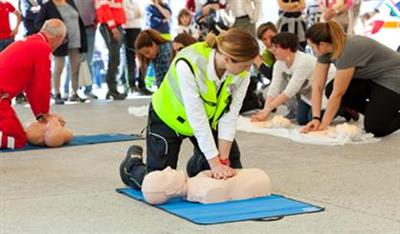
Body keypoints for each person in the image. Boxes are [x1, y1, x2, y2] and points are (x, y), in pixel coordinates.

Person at [119, 28, 259, 190]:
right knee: (159, 184)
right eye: (246, 65)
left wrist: (222, 161)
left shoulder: (241, 74)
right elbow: (196, 117)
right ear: (228, 59)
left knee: (231, 165)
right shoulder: (189, 63)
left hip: (207, 120)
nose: (248, 70)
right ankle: (130, 166)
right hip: (168, 119)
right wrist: (214, 164)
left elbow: (230, 115)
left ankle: (198, 165)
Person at [302, 21, 400, 137]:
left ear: (322, 44)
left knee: (375, 128)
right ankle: (380, 113)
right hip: (372, 79)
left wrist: (324, 124)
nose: (312, 49)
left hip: (393, 77)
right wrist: (316, 118)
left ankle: (382, 114)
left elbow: (338, 93)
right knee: (330, 89)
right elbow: (317, 85)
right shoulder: (326, 51)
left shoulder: (347, 49)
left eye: (312, 46)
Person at [0, 19, 66, 149]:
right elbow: (42, 84)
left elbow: (30, 86)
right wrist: (45, 114)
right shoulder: (43, 48)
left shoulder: (30, 41)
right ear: (59, 37)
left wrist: (40, 114)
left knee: (19, 135)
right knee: (17, 140)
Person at [251, 32, 336, 125]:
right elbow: (274, 87)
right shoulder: (279, 63)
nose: (273, 50)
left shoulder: (303, 62)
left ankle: (345, 109)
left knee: (313, 117)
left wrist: (267, 110)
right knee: (302, 119)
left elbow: (290, 91)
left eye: (276, 47)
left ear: (288, 48)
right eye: (273, 47)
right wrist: (265, 111)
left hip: (327, 90)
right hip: (310, 93)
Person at [35, 0, 88, 104]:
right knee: (59, 67)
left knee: (75, 69)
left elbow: (78, 21)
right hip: (59, 41)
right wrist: (52, 33)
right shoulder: (47, 6)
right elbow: (38, 23)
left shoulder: (70, 2)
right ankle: (57, 93)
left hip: (75, 40)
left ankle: (74, 93)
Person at [141, 167, 271, 205]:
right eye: (164, 175)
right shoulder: (206, 191)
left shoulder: (198, 182)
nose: (168, 168)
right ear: (171, 190)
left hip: (256, 176)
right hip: (259, 180)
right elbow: (221, 185)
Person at [95, 0, 127, 100]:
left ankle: (112, 89)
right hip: (110, 27)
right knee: (114, 58)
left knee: (115, 59)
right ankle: (112, 89)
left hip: (115, 26)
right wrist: (113, 27)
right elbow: (105, 9)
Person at [122, 0, 145, 95]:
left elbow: (141, 14)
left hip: (138, 28)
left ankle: (141, 84)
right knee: (130, 58)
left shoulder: (134, 2)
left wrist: (136, 14)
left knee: (141, 57)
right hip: (128, 30)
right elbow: (127, 15)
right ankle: (131, 84)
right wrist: (136, 14)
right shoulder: (123, 2)